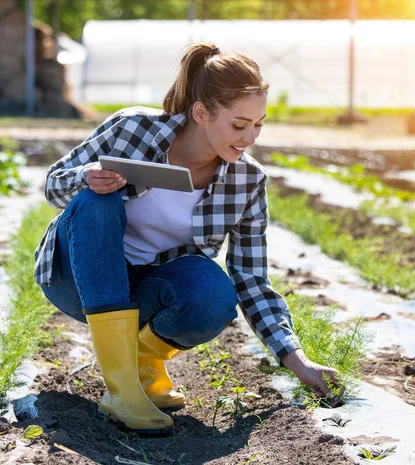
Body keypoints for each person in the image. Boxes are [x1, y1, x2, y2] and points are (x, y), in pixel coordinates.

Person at [34, 42, 340, 436]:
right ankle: (122, 388)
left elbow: (252, 279)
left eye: (259, 123)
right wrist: (87, 177)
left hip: (146, 292)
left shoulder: (247, 181)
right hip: (74, 279)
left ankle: (143, 363)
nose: (250, 137)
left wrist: (298, 361)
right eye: (239, 124)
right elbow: (53, 184)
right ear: (201, 112)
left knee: (213, 292)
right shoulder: (133, 129)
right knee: (97, 202)